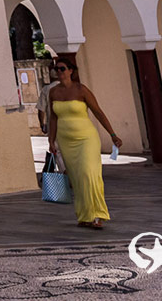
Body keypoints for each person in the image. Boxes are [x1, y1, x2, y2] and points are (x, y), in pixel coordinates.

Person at [46, 58, 122, 229]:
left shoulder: (81, 90)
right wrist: (51, 140)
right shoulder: (53, 92)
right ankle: (84, 215)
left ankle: (98, 214)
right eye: (56, 69)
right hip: (65, 140)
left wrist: (112, 134)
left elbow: (98, 112)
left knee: (89, 173)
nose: (59, 72)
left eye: (62, 68)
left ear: (71, 70)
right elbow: (53, 117)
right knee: (76, 178)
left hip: (86, 138)